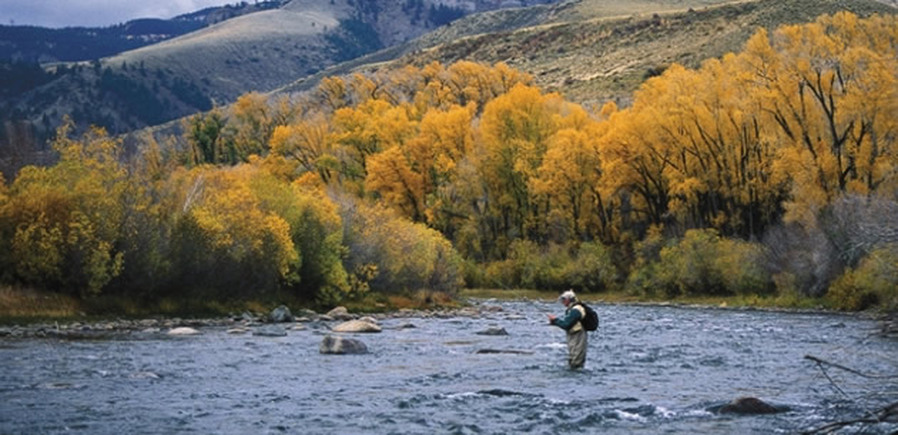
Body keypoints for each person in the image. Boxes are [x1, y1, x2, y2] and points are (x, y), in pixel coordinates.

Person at [548, 289, 587, 369]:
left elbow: (566, 324)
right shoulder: (572, 309)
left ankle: (576, 371)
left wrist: (555, 320)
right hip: (574, 335)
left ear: (569, 299)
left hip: (578, 335)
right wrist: (555, 322)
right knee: (573, 355)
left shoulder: (576, 310)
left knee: (576, 357)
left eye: (564, 300)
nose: (562, 302)